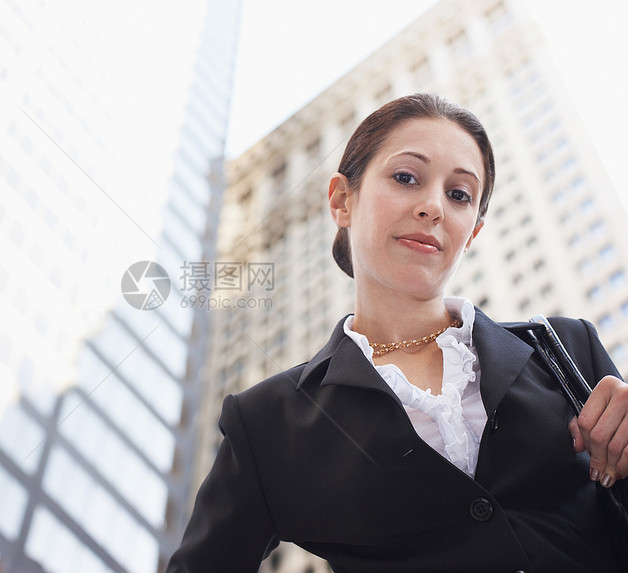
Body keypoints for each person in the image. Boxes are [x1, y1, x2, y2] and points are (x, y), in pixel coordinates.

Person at [166, 93, 628, 572]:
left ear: (472, 232)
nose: (433, 207)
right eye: (406, 178)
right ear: (343, 200)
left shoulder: (566, 350)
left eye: (459, 194)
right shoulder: (268, 422)